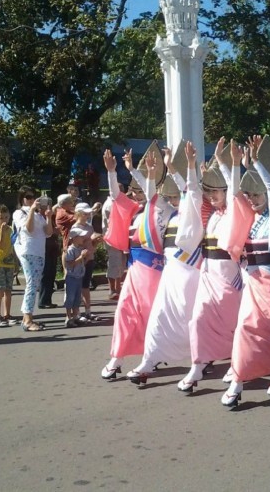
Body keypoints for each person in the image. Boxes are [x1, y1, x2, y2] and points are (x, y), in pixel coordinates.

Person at [221, 136, 270, 408]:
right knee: (246, 329)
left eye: (256, 193)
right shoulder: (250, 219)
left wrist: (257, 165)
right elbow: (233, 194)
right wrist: (234, 165)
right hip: (252, 283)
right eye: (249, 194)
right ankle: (238, 383)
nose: (251, 198)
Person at [126, 141, 204, 386]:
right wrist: (139, 172)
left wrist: (180, 166)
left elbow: (190, 189)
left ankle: (198, 363)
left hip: (190, 272)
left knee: (191, 319)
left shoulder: (196, 206)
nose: (174, 196)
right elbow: (150, 195)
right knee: (159, 316)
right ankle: (148, 361)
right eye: (171, 194)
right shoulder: (170, 212)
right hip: (170, 272)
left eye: (177, 192)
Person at [178, 138, 251, 392]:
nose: (212, 195)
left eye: (217, 191)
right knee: (198, 318)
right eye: (210, 191)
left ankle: (236, 362)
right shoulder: (208, 214)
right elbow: (193, 193)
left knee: (234, 323)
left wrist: (230, 163)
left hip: (231, 275)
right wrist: (189, 165)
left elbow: (234, 191)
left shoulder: (235, 209)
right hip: (208, 274)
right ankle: (197, 364)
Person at [100, 149, 166, 380]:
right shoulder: (132, 210)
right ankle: (116, 358)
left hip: (154, 270)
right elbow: (115, 195)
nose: (136, 195)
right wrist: (112, 171)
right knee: (124, 312)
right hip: (135, 268)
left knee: (151, 316)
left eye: (140, 190)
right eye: (133, 191)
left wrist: (135, 170)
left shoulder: (159, 209)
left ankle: (153, 355)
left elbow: (150, 193)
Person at [13, 186, 54, 331]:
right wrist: (31, 210)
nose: (31, 199)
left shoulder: (38, 215)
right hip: (28, 251)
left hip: (39, 252)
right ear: (22, 198)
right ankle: (27, 319)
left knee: (34, 285)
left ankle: (27, 318)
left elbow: (48, 233)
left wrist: (48, 216)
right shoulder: (19, 213)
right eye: (28, 197)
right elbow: (28, 229)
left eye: (33, 196)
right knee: (31, 284)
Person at [71, 202, 102, 320]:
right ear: (78, 214)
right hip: (80, 260)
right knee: (78, 286)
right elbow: (76, 245)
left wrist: (96, 242)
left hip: (89, 258)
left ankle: (88, 311)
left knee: (85, 286)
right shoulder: (75, 228)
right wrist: (89, 241)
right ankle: (76, 313)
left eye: (88, 214)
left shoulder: (89, 227)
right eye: (85, 214)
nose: (87, 216)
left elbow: (91, 244)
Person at [0, 204, 18, 328]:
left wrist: (16, 262)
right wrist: (1, 230)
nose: (4, 220)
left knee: (8, 290)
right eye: (1, 218)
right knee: (0, 289)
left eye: (6, 217)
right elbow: (0, 245)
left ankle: (7, 314)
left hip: (9, 262)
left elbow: (13, 246)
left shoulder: (11, 230)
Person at [102, 182, 127, 300]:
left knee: (120, 264)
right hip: (113, 239)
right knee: (114, 264)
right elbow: (116, 220)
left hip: (120, 237)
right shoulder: (110, 205)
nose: (122, 191)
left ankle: (118, 288)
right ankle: (111, 289)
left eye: (122, 189)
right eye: (120, 189)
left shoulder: (117, 202)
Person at [63, 227, 90, 327]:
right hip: (72, 277)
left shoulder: (79, 249)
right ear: (74, 238)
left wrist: (85, 257)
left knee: (77, 298)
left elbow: (82, 263)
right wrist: (81, 257)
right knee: (70, 298)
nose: (83, 238)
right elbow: (70, 264)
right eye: (81, 236)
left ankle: (75, 316)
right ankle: (68, 318)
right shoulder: (70, 250)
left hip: (79, 277)